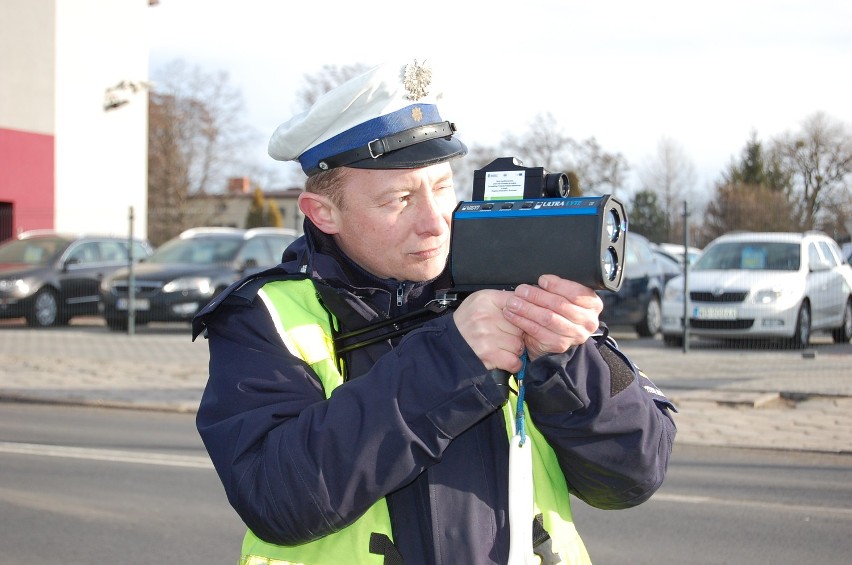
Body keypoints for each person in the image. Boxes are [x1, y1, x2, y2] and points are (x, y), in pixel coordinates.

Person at [193, 60, 676, 565]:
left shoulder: (515, 284)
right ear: (323, 213)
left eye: (442, 187)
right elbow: (278, 499)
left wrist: (565, 361)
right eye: (399, 199)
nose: (434, 223)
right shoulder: (263, 317)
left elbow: (634, 474)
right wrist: (453, 359)